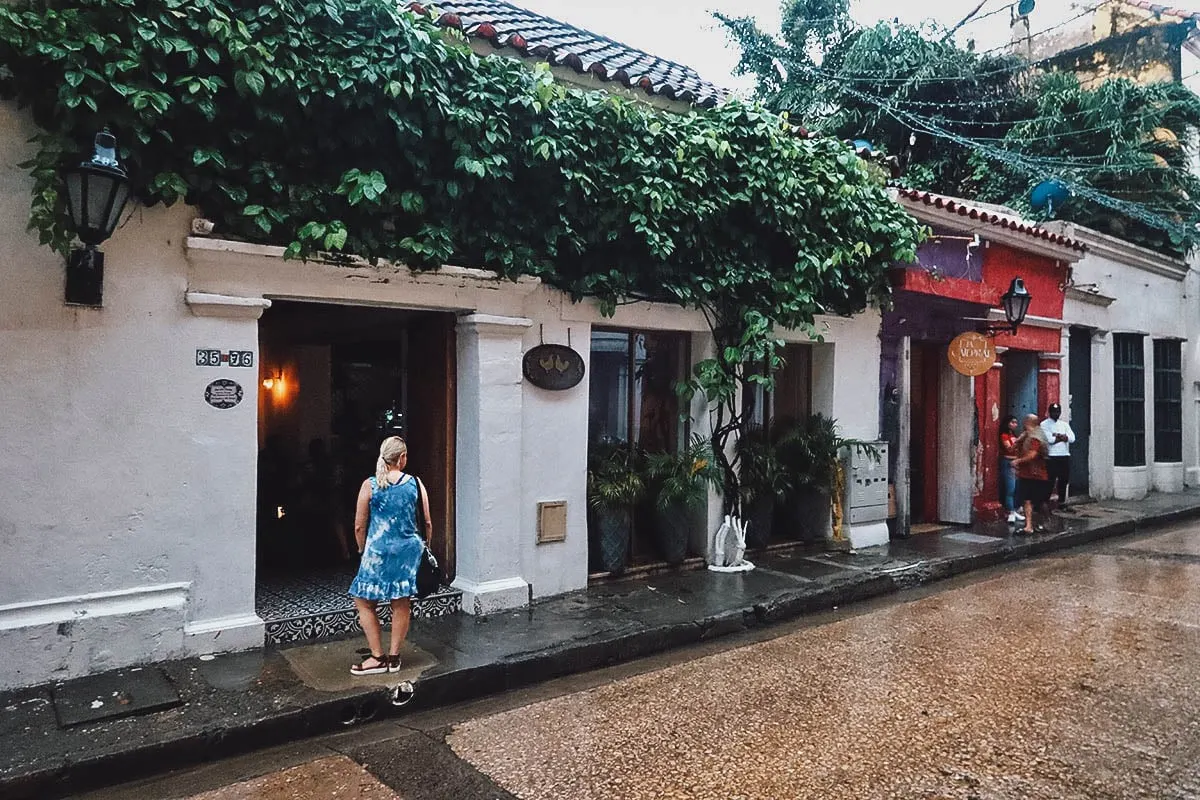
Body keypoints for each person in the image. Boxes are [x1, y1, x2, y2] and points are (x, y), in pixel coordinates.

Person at [348, 436, 433, 676]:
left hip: (377, 553)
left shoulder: (371, 484)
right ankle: (394, 658)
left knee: (364, 601)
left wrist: (361, 549)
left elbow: (359, 525)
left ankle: (377, 657)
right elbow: (426, 520)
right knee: (401, 603)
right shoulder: (415, 483)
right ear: (402, 458)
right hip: (408, 553)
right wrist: (426, 546)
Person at [1013, 414, 1051, 535]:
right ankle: (1029, 526)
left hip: (1036, 473)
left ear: (1028, 422)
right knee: (1027, 499)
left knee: (1038, 501)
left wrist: (1018, 461)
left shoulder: (1035, 437)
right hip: (1029, 473)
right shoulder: (1031, 434)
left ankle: (1043, 522)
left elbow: (1032, 455)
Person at [1040, 403, 1076, 510]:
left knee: (1063, 479)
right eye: (1054, 412)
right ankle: (1045, 501)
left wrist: (1058, 436)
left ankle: (1061, 502)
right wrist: (1062, 437)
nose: (1056, 414)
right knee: (1050, 480)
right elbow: (1050, 440)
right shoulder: (1044, 424)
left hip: (1064, 455)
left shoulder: (1064, 424)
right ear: (1049, 412)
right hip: (1052, 456)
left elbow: (1072, 438)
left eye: (1058, 412)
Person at [999, 415, 1023, 525]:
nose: (1015, 425)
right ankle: (1010, 511)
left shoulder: (1013, 435)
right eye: (1013, 422)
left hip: (1015, 461)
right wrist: (1019, 441)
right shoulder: (1004, 435)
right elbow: (1008, 448)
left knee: (1016, 487)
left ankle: (1014, 509)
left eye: (1016, 423)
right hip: (1008, 462)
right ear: (1007, 423)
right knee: (1010, 488)